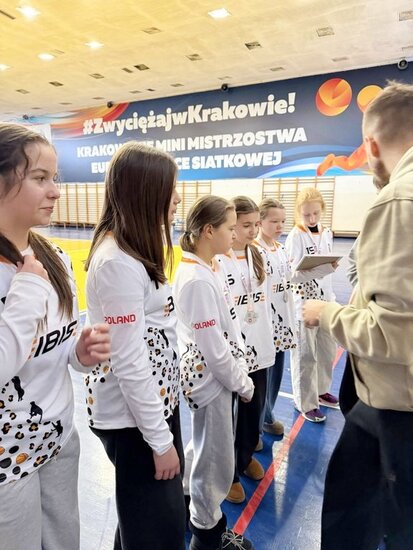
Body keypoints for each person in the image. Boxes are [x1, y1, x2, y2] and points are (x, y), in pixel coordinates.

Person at [303, 81, 413, 549]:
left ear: (371, 144)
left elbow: (393, 335)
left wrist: (326, 312)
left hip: (400, 411)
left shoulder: (398, 199)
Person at [0, 122, 111, 550]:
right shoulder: (25, 277)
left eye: (55, 178)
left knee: (66, 541)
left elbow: (60, 347)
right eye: (40, 178)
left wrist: (80, 352)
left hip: (59, 436)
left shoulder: (55, 257)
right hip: (7, 458)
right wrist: (27, 289)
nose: (56, 191)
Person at [84, 142, 186, 550]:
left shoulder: (135, 250)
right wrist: (160, 442)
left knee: (141, 523)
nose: (177, 198)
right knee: (155, 530)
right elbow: (129, 363)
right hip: (134, 421)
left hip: (151, 408)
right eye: (170, 189)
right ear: (146, 192)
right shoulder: (117, 263)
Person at [173, 195, 254, 550]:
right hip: (211, 379)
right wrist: (242, 383)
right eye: (230, 228)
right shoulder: (197, 280)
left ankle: (187, 499)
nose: (235, 235)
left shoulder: (208, 267)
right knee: (216, 460)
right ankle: (207, 531)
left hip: (214, 376)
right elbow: (213, 347)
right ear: (208, 231)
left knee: (204, 446)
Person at [215, 196, 274, 504]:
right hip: (232, 350)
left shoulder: (257, 254)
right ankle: (228, 474)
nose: (253, 231)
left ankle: (245, 455)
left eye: (256, 224)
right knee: (226, 416)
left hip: (258, 344)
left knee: (253, 408)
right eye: (246, 225)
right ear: (231, 225)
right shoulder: (217, 259)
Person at [285, 187, 339, 422]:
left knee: (327, 351)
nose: (312, 218)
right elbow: (292, 275)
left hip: (326, 301)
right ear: (299, 213)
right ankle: (305, 402)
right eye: (307, 214)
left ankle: (321, 390)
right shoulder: (295, 236)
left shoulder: (327, 233)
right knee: (305, 356)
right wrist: (322, 268)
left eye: (316, 213)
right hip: (304, 304)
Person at [255, 198, 297, 439]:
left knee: (276, 372)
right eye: (274, 221)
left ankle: (268, 414)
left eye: (283, 221)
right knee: (263, 374)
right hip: (264, 323)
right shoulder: (254, 250)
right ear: (260, 222)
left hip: (282, 322)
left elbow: (288, 279)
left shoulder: (281, 249)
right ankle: (260, 419)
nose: (280, 226)